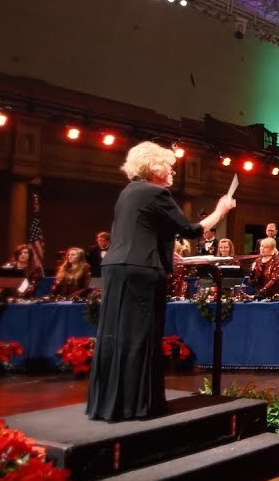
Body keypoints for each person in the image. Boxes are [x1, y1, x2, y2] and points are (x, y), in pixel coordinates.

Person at [88, 141, 235, 421]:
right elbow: (189, 230)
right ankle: (138, 405)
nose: (172, 172)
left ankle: (112, 403)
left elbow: (143, 233)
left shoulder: (129, 192)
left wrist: (167, 257)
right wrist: (221, 211)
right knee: (141, 335)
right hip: (141, 271)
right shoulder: (156, 193)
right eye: (169, 166)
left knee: (116, 334)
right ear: (154, 167)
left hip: (117, 268)